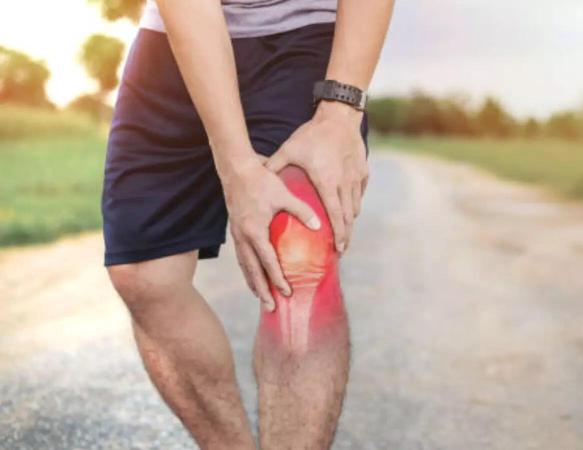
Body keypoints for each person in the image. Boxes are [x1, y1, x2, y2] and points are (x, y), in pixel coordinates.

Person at [101, 0, 393, 448]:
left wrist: (340, 113)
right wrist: (236, 166)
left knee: (300, 258)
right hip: (174, 37)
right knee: (143, 275)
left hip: (306, 30)